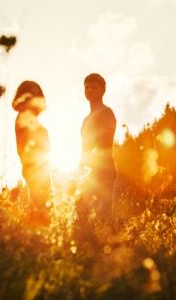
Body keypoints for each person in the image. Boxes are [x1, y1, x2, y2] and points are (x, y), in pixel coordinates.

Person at [76, 73, 117, 239]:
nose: (89, 90)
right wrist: (80, 169)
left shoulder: (107, 113)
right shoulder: (85, 120)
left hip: (104, 170)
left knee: (104, 214)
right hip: (87, 173)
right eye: (87, 87)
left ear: (103, 90)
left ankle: (110, 250)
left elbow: (105, 142)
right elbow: (83, 149)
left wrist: (90, 162)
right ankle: (88, 249)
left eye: (94, 86)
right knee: (82, 211)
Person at [12, 80, 52, 226]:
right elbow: (26, 148)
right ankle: (36, 233)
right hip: (35, 169)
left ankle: (37, 233)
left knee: (42, 206)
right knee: (40, 206)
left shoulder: (29, 119)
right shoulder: (24, 118)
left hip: (40, 169)